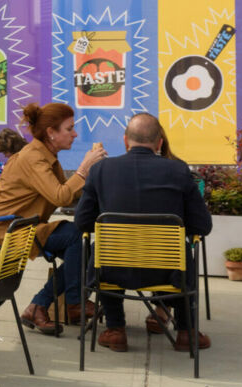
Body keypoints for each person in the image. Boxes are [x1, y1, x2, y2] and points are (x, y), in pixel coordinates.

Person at [75, 113, 212, 353]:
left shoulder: (101, 170)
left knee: (105, 248)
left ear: (126, 141)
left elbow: (82, 221)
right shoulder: (178, 171)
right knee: (182, 251)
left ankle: (116, 330)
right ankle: (185, 332)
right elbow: (202, 226)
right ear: (159, 142)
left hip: (112, 269)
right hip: (166, 271)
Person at [0, 102, 106, 336]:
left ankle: (39, 305)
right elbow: (60, 195)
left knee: (85, 249)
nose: (75, 134)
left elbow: (69, 195)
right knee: (75, 238)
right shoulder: (34, 158)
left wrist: (97, 179)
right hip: (8, 229)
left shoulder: (47, 155)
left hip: (27, 225)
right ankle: (73, 303)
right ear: (51, 132)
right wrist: (83, 170)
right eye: (69, 129)